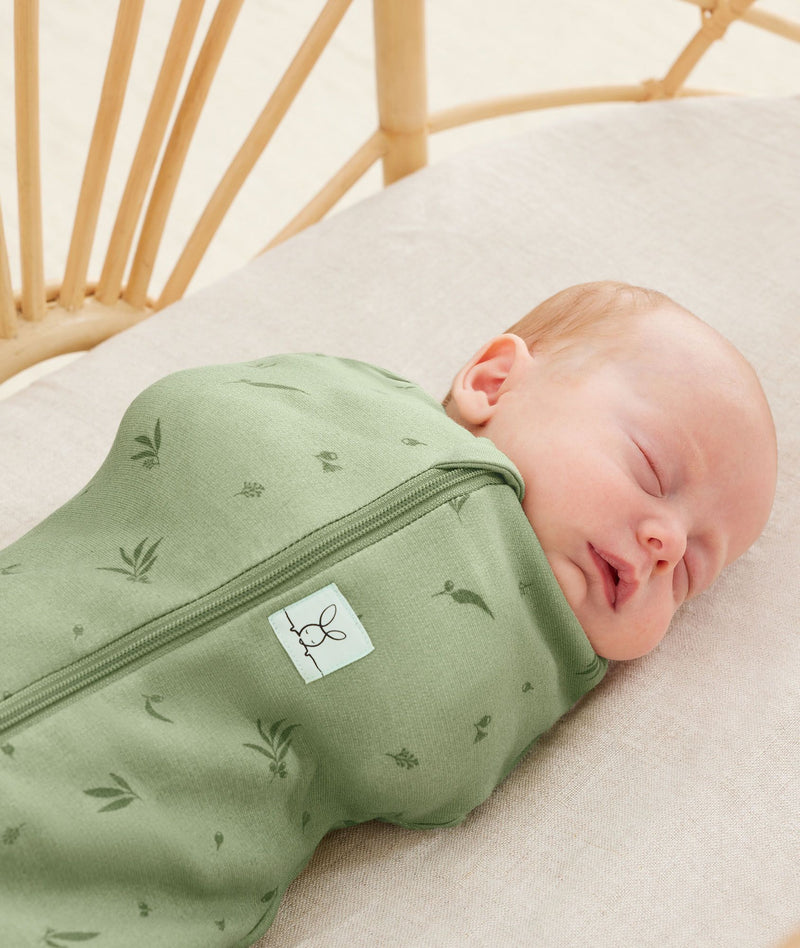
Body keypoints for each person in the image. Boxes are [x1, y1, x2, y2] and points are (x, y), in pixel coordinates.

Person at [442, 280, 777, 660]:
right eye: (651, 471)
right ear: (495, 383)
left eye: (687, 573)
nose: (671, 545)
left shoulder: (551, 675)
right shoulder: (386, 419)